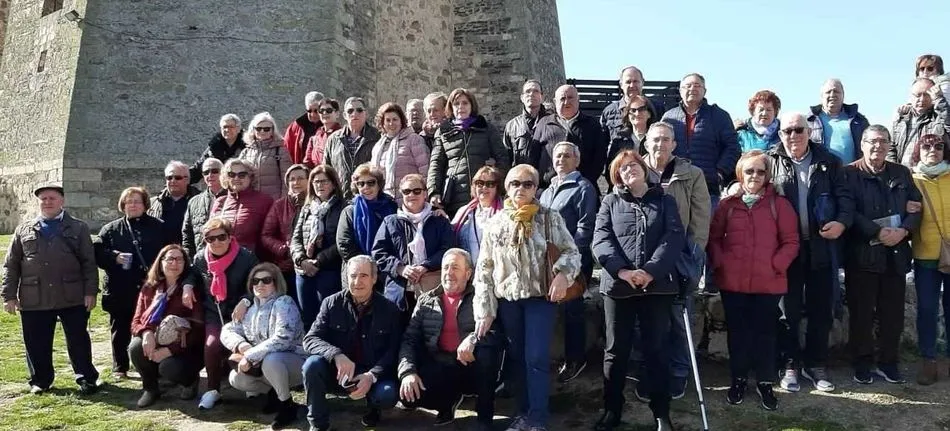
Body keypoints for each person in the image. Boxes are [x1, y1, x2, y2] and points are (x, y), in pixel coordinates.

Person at [473, 164, 581, 431]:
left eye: (527, 184)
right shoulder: (496, 222)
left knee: (536, 357)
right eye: (515, 184)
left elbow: (572, 252)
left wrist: (562, 274)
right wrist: (485, 309)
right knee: (517, 358)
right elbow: (484, 268)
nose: (520, 188)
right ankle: (522, 415)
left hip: (539, 298)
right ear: (506, 188)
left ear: (535, 188)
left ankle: (538, 418)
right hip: (508, 300)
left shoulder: (549, 218)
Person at [591, 151, 684, 431]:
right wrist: (623, 272)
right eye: (622, 168)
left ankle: (661, 413)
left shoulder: (665, 201)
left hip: (657, 287)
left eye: (633, 164)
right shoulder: (609, 202)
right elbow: (601, 240)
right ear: (616, 176)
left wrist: (650, 271)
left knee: (657, 350)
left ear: (644, 168)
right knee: (615, 351)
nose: (628, 170)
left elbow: (673, 237)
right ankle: (612, 410)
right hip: (618, 288)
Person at [769, 112, 854, 393]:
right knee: (788, 311)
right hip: (787, 248)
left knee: (821, 308)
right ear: (780, 134)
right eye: (788, 131)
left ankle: (816, 364)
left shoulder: (829, 161)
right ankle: (790, 363)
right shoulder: (770, 161)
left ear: (809, 132)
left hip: (821, 246)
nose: (793, 135)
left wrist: (842, 223)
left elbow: (845, 198)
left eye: (799, 130)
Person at [708, 150, 799, 410]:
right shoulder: (728, 205)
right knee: (737, 334)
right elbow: (714, 238)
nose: (755, 176)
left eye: (761, 171)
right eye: (749, 171)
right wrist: (721, 263)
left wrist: (776, 265)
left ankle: (765, 382)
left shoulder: (779, 205)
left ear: (767, 175)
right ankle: (738, 380)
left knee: (765, 334)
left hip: (767, 283)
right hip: (733, 282)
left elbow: (791, 242)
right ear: (740, 173)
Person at [2, 183, 100, 395]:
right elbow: (11, 265)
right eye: (43, 199)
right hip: (34, 296)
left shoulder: (79, 228)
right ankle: (41, 380)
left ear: (62, 201)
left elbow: (88, 263)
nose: (47, 202)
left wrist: (90, 292)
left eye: (52, 198)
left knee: (78, 340)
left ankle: (86, 378)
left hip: (71, 294)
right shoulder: (23, 229)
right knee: (36, 341)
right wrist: (9, 295)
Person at [843, 125, 921, 385]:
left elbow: (916, 207)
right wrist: (876, 231)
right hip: (862, 254)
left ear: (889, 145)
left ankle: (889, 361)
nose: (878, 146)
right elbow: (848, 211)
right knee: (861, 313)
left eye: (883, 141)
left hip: (896, 253)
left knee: (893, 314)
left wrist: (905, 230)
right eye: (872, 141)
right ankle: (862, 362)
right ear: (862, 144)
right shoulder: (849, 174)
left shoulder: (902, 172)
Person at [641, 122, 711, 399]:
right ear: (646, 143)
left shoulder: (692, 174)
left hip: (679, 258)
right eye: (655, 139)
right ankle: (649, 370)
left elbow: (701, 218)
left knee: (679, 318)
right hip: (644, 258)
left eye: (665, 139)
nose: (660, 144)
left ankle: (679, 371)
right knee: (646, 319)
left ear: (674, 144)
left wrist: (692, 254)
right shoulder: (634, 169)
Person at [397, 249, 501, 429]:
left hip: (471, 365)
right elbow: (409, 339)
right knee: (408, 396)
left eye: (455, 268)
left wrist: (473, 339)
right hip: (441, 365)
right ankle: (447, 402)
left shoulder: (480, 298)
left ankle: (484, 418)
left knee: (486, 352)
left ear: (468, 274)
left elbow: (496, 333)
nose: (449, 273)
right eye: (445, 268)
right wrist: (407, 373)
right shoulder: (426, 301)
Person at [301, 255, 401, 431]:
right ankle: (317, 424)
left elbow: (393, 351)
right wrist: (336, 354)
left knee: (387, 394)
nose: (357, 281)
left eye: (363, 275)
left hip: (370, 372)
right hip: (338, 372)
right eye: (353, 276)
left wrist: (372, 375)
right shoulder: (331, 303)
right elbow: (310, 339)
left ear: (374, 279)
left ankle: (373, 408)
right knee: (312, 365)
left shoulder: (389, 309)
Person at [182, 217, 259, 409]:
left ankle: (252, 384)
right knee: (212, 346)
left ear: (230, 237)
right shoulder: (201, 258)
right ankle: (212, 390)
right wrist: (187, 286)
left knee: (247, 346)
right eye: (210, 238)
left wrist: (245, 301)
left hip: (242, 313)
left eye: (221, 237)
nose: (216, 242)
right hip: (214, 312)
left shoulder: (246, 257)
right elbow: (192, 274)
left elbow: (256, 283)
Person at [221, 262, 308, 429]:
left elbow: (282, 338)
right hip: (263, 363)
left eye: (266, 280)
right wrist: (242, 345)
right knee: (236, 378)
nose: (260, 284)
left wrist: (250, 356)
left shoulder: (284, 302)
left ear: (276, 282)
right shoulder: (250, 309)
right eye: (255, 281)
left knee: (271, 360)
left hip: (295, 361)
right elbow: (228, 329)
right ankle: (274, 395)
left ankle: (287, 405)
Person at [538, 142, 598, 383]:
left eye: (566, 156)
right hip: (547, 262)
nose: (561, 160)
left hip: (572, 261)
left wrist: (569, 258)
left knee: (573, 310)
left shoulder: (584, 188)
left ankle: (576, 359)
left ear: (577, 160)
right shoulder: (547, 191)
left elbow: (585, 227)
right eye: (557, 156)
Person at [94, 187, 166, 380]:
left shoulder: (158, 227)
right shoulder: (110, 229)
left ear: (145, 205)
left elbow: (168, 252)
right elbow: (98, 253)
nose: (133, 205)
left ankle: (151, 363)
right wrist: (114, 257)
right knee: (120, 327)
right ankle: (120, 366)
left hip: (149, 286)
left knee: (152, 325)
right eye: (129, 201)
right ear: (123, 205)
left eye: (137, 201)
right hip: (120, 287)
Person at [128, 244, 204, 408]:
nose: (174, 263)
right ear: (160, 262)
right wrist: (146, 333)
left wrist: (170, 350)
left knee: (168, 367)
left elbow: (198, 330)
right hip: (156, 338)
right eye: (170, 259)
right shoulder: (150, 288)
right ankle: (151, 389)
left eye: (179, 259)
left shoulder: (190, 290)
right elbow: (136, 321)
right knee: (135, 347)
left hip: (185, 347)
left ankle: (190, 382)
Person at [372, 174, 456, 316]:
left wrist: (426, 266)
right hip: (399, 293)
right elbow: (378, 253)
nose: (411, 195)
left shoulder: (439, 220)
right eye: (406, 191)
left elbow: (449, 249)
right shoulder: (390, 222)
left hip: (433, 289)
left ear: (425, 193)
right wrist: (400, 268)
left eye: (417, 191)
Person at [427, 88, 510, 215]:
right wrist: (434, 191)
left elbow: (502, 159)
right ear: (451, 107)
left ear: (472, 106)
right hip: (454, 196)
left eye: (465, 103)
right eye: (456, 103)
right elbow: (436, 164)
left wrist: (495, 185)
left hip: (484, 194)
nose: (461, 107)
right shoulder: (443, 132)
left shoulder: (486, 128)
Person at [909, 133, 950, 385]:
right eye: (926, 146)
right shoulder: (911, 180)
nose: (932, 150)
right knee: (926, 310)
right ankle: (928, 361)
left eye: (938, 146)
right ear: (918, 150)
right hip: (925, 255)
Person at [662, 73, 740, 202]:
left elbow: (733, 147)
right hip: (676, 184)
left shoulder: (718, 116)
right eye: (688, 86)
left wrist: (720, 172)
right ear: (680, 91)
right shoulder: (669, 117)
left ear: (705, 91)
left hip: (708, 186)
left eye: (697, 85)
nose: (692, 89)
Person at [292, 165, 346, 329]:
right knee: (307, 318)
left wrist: (319, 261)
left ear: (334, 184)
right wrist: (301, 260)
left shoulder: (344, 207)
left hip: (329, 269)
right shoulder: (307, 208)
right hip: (304, 270)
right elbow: (296, 238)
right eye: (316, 182)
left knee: (328, 319)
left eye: (324, 181)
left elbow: (343, 241)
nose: (319, 185)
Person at [534, 85, 609, 190]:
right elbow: (534, 155)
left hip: (582, 188)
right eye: (562, 98)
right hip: (548, 188)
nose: (566, 102)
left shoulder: (592, 124)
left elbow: (599, 157)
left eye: (570, 98)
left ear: (578, 100)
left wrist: (587, 182)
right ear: (555, 102)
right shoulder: (544, 123)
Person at [261, 164, 310, 302]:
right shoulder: (279, 205)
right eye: (292, 179)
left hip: (311, 264)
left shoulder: (315, 203)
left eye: (300, 178)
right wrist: (283, 249)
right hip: (286, 266)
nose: (296, 182)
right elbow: (266, 235)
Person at [210, 159, 275, 255]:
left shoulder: (265, 201)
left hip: (253, 258)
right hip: (223, 257)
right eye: (231, 174)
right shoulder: (220, 201)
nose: (236, 178)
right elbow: (211, 231)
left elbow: (271, 235)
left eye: (242, 175)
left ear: (251, 177)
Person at [337, 163, 398, 265]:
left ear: (379, 185)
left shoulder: (391, 206)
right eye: (361, 184)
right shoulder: (349, 211)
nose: (366, 187)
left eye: (371, 183)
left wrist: (390, 264)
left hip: (390, 266)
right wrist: (367, 265)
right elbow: (344, 244)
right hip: (359, 268)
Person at [369, 102, 430, 205]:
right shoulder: (378, 146)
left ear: (401, 121)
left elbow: (425, 170)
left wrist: (426, 196)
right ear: (382, 123)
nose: (391, 123)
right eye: (388, 120)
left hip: (411, 200)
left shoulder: (414, 139)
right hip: (385, 202)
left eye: (395, 119)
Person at [324, 97, 381, 199]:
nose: (354, 114)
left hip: (369, 197)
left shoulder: (378, 137)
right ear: (344, 115)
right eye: (350, 111)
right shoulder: (333, 139)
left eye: (359, 110)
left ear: (366, 113)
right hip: (341, 198)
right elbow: (326, 170)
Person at [600, 66, 667, 150]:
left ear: (642, 82)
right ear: (621, 85)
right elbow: (602, 144)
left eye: (636, 81)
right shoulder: (609, 112)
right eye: (628, 82)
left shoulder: (658, 108)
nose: (632, 85)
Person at [805, 79, 870, 165]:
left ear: (843, 95)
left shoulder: (859, 120)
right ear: (821, 96)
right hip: (821, 172)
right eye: (828, 92)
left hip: (853, 172)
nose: (832, 95)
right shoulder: (809, 121)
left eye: (836, 91)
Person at [889, 78, 950, 167]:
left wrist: (940, 100)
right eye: (918, 95)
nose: (922, 99)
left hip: (933, 173)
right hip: (903, 173)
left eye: (927, 95)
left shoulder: (940, 117)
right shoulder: (901, 118)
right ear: (911, 96)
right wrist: (894, 169)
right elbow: (890, 147)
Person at [452, 165, 504, 266]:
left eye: (490, 184)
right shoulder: (463, 212)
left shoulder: (504, 212)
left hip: (495, 269)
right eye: (480, 183)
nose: (484, 187)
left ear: (497, 187)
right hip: (468, 270)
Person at [239, 112, 293, 201]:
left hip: (272, 201)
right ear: (253, 130)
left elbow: (287, 179)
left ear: (272, 131)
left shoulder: (281, 151)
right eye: (258, 129)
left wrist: (283, 201)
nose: (262, 131)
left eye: (266, 129)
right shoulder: (246, 152)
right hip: (250, 200)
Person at [182, 158, 226, 260]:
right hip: (201, 260)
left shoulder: (233, 199)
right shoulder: (194, 202)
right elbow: (187, 235)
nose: (210, 175)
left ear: (223, 173)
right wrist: (190, 259)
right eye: (206, 172)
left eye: (215, 171)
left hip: (227, 258)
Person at [149, 161, 200, 245]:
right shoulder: (152, 203)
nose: (173, 181)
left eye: (177, 178)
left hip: (189, 251)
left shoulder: (199, 202)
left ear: (187, 180)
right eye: (169, 178)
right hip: (161, 252)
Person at [504, 79, 552, 166]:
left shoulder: (552, 123)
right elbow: (506, 157)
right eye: (527, 91)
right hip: (521, 173)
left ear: (542, 97)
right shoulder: (511, 126)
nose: (531, 94)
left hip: (546, 174)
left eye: (536, 91)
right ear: (522, 98)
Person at [189, 113, 245, 184]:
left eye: (231, 127)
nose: (227, 130)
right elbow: (201, 166)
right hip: (222, 183)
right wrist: (183, 178)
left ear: (238, 129)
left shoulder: (248, 145)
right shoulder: (215, 145)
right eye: (225, 127)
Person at [611, 94, 658, 159]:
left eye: (642, 109)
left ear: (649, 114)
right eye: (633, 110)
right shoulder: (619, 138)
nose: (637, 113)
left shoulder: (656, 137)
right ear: (628, 116)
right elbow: (612, 163)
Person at [284, 91, 325, 164]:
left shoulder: (329, 126)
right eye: (309, 110)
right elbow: (287, 151)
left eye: (316, 111)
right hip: (301, 168)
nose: (312, 114)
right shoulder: (295, 127)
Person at [303, 98, 343, 167]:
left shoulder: (343, 136)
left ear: (337, 114)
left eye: (329, 110)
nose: (324, 113)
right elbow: (307, 163)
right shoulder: (314, 139)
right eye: (321, 111)